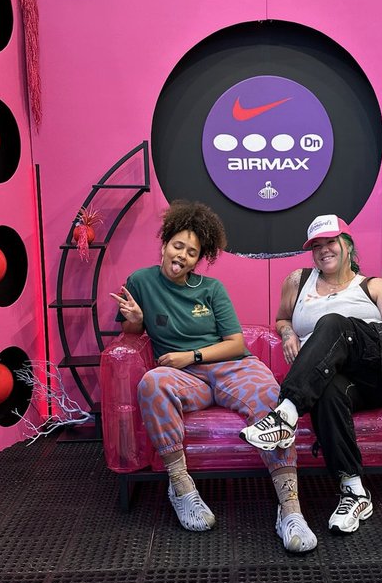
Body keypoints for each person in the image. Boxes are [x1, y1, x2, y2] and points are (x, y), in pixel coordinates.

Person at [111, 200, 317, 553]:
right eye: (178, 246)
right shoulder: (140, 281)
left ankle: (290, 510)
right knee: (151, 382)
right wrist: (133, 317)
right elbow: (134, 330)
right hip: (184, 378)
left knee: (271, 397)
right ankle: (181, 487)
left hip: (231, 366)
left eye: (192, 252)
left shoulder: (212, 289)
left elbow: (235, 343)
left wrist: (191, 355)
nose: (183, 256)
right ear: (164, 244)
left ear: (199, 258)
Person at [240, 214, 382, 534]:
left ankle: (285, 415)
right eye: (317, 246)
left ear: (347, 246)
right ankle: (354, 491)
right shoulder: (298, 280)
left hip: (380, 375)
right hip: (338, 379)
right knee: (329, 388)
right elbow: (282, 319)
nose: (324, 250)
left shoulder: (372, 284)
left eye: (331, 242)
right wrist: (288, 334)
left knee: (334, 322)